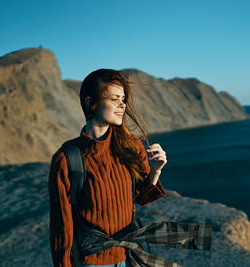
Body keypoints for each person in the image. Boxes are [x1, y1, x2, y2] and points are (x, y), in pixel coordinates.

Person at [48, 68, 167, 267]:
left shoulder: (131, 145)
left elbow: (142, 199)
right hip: (93, 263)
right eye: (114, 99)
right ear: (90, 103)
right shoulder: (66, 158)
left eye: (123, 98)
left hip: (131, 256)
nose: (122, 105)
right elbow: (61, 228)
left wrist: (155, 170)